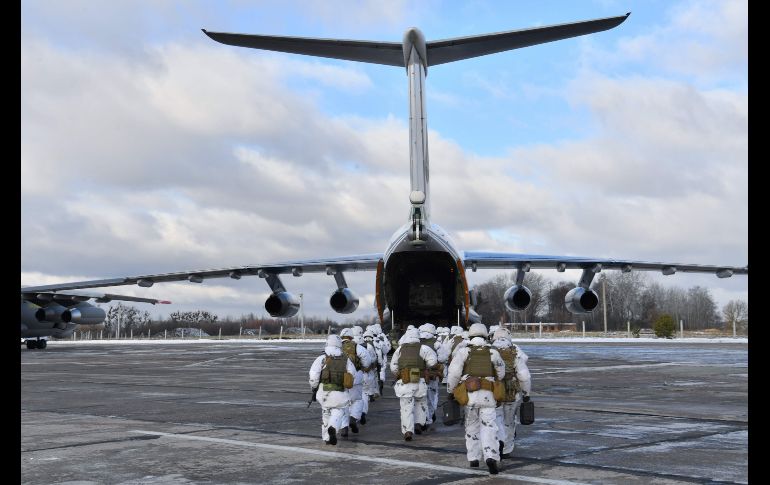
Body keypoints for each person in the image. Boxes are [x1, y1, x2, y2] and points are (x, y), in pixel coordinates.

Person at [446, 323, 505, 475]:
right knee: (489, 427)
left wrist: (450, 390)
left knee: (471, 426)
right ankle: (491, 456)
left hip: (470, 396)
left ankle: (473, 458)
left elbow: (453, 374)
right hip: (488, 396)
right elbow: (501, 372)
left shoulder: (463, 351)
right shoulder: (493, 352)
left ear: (470, 335)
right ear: (485, 336)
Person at [389, 326, 437, 440]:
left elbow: (393, 366)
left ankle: (408, 431)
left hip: (404, 382)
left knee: (406, 408)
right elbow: (432, 362)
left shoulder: (399, 349)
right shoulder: (424, 348)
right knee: (421, 404)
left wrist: (399, 373)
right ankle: (419, 424)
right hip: (419, 382)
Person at [308, 334, 356, 445]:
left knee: (325, 413)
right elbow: (352, 374)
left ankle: (326, 438)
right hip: (340, 393)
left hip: (324, 392)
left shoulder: (321, 359)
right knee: (338, 412)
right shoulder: (346, 359)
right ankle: (333, 427)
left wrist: (314, 388)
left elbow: (313, 376)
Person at [491, 327, 531, 458]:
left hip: (493, 391)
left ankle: (496, 445)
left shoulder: (488, 350)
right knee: (509, 421)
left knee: (496, 419)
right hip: (511, 392)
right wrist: (526, 394)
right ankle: (506, 449)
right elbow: (524, 376)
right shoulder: (515, 352)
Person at [340, 327, 373, 437]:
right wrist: (363, 367)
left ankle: (344, 427)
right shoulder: (356, 347)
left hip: (340, 379)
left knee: (343, 404)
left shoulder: (336, 347)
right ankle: (353, 418)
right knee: (358, 401)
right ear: (350, 337)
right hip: (356, 378)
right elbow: (367, 360)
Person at [418, 323, 446, 429]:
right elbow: (443, 358)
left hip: (419, 374)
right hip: (432, 374)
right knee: (432, 396)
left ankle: (421, 419)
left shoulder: (416, 342)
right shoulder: (436, 343)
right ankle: (429, 417)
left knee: (420, 398)